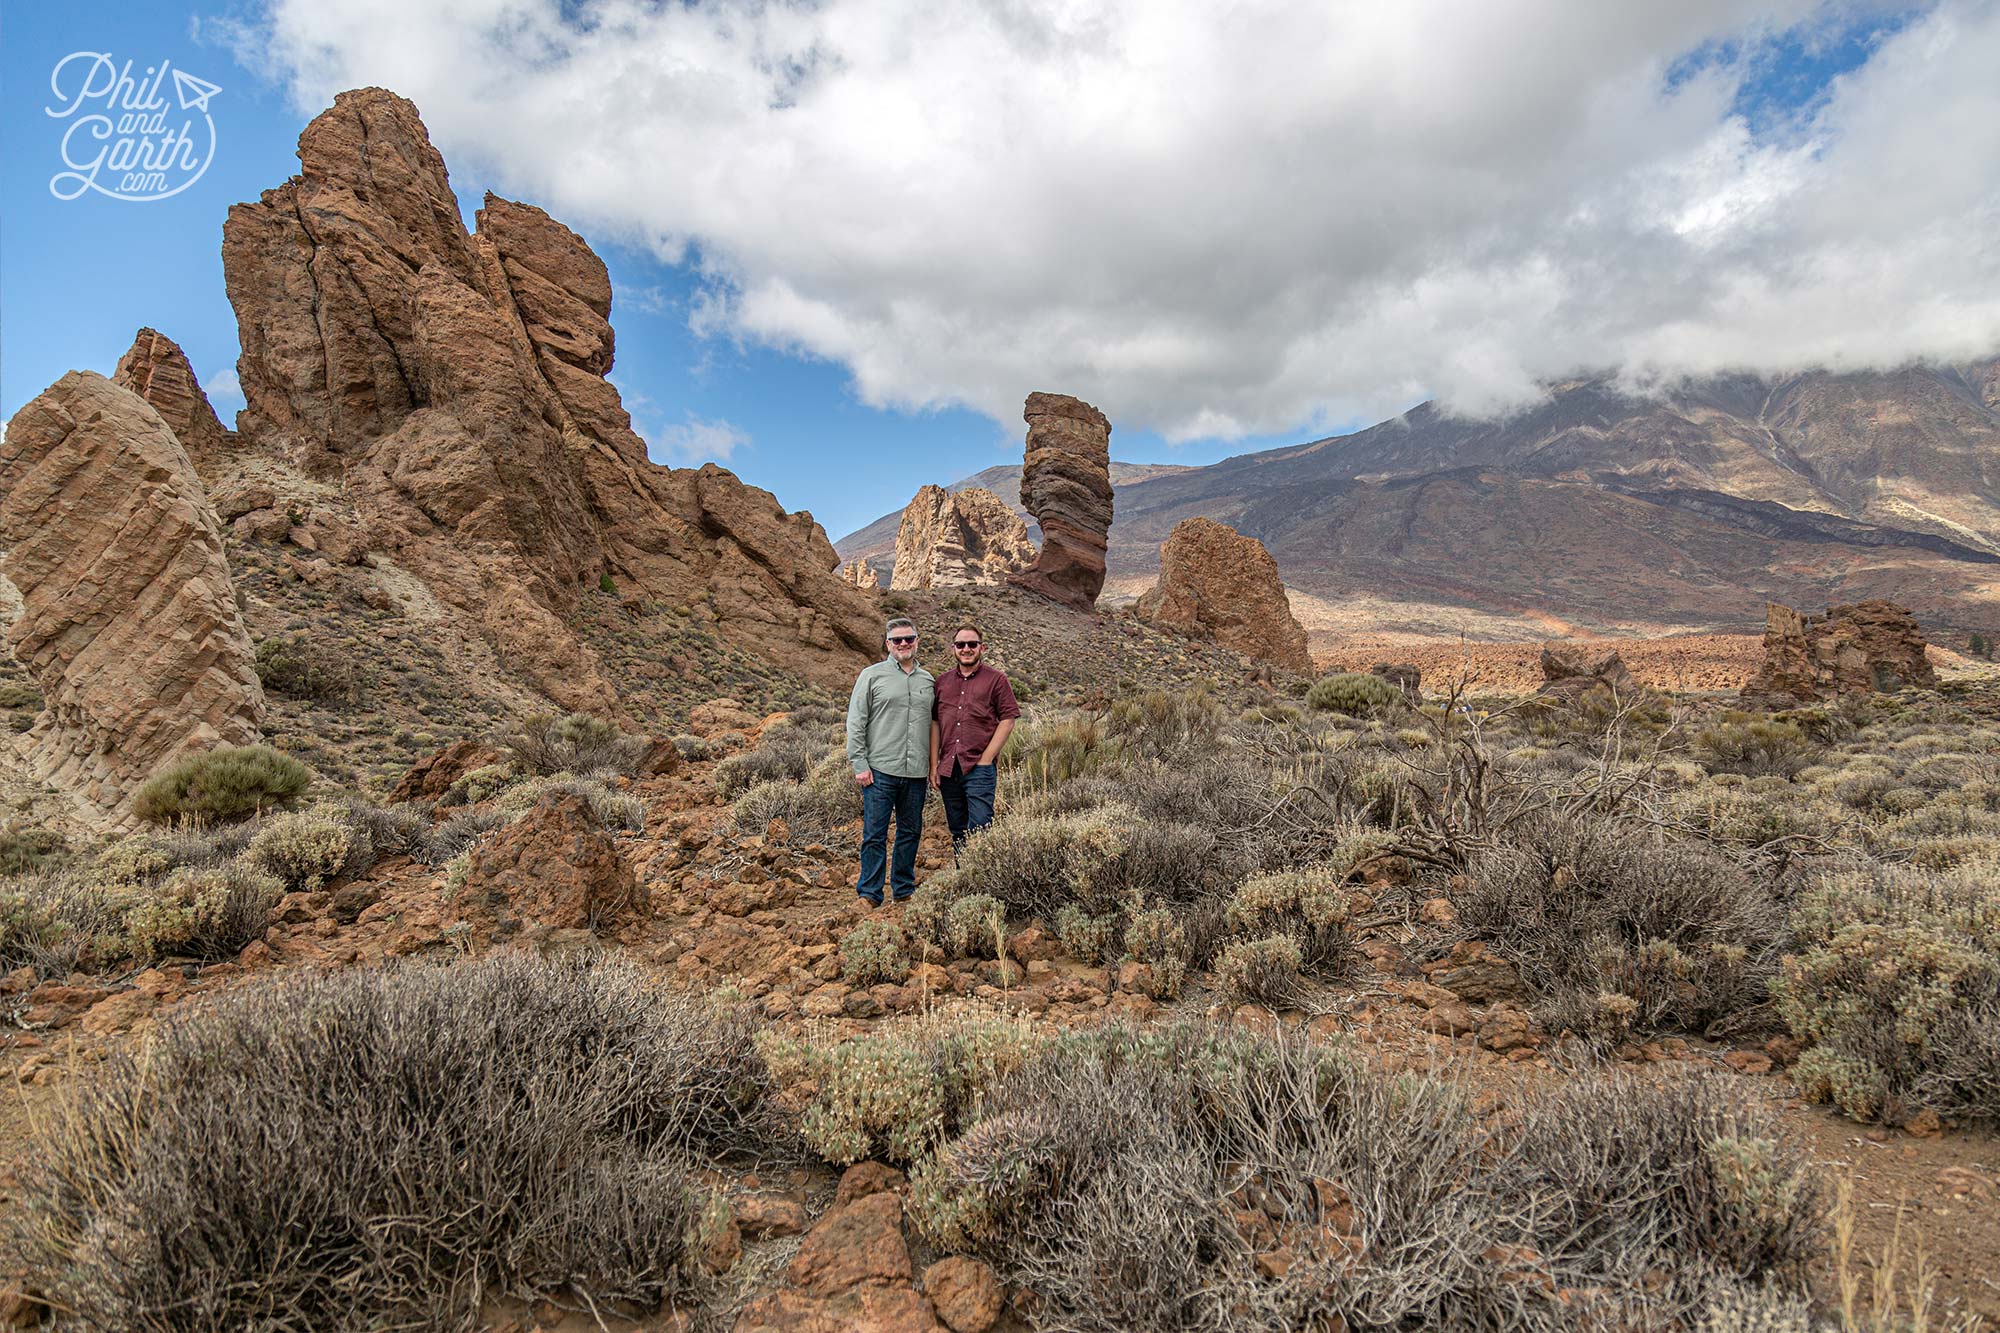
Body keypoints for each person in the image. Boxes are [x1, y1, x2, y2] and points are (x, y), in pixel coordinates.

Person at [845, 617, 936, 905]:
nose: (904, 644)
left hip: (916, 772)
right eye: (897, 640)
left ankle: (904, 890)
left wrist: (933, 767)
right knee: (875, 834)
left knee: (910, 832)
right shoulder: (871, 676)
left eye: (909, 638)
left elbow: (935, 724)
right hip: (880, 770)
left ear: (917, 641)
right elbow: (856, 722)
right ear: (888, 644)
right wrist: (859, 763)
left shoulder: (928, 681)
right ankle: (870, 893)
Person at [929, 621, 1020, 856]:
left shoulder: (996, 680)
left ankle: (980, 881)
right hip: (949, 769)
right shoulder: (942, 682)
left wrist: (986, 759)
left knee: (980, 828)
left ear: (982, 648)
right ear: (953, 648)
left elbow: (1008, 720)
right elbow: (935, 723)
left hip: (979, 768)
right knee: (958, 830)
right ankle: (963, 879)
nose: (966, 648)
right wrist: (934, 766)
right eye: (961, 644)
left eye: (972, 644)